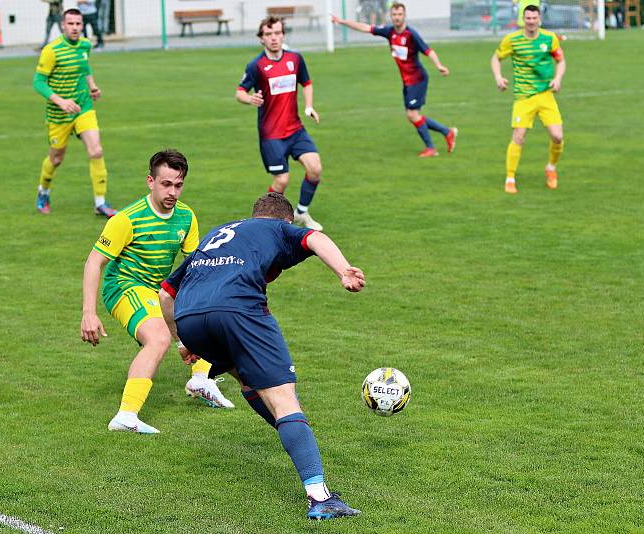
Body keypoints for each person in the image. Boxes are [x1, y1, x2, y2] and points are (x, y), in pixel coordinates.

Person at [159, 192, 365, 520]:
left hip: (190, 318)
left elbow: (166, 293)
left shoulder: (218, 234)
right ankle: (319, 497)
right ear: (285, 220)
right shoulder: (278, 228)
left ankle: (296, 434)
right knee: (285, 400)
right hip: (238, 310)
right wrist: (343, 271)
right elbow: (316, 238)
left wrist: (183, 341)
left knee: (246, 378)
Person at [81, 150, 235, 435]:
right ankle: (126, 416)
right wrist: (88, 313)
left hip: (159, 289)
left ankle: (201, 378)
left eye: (178, 185)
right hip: (125, 288)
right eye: (166, 184)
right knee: (158, 338)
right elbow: (94, 261)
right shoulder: (127, 219)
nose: (172, 191)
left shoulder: (186, 217)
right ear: (150, 181)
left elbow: (195, 267)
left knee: (209, 315)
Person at [332, 3, 457, 158]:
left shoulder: (411, 35)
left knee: (412, 115)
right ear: (391, 16)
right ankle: (447, 132)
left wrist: (439, 65)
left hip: (417, 79)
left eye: (399, 14)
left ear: (404, 16)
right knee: (413, 115)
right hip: (407, 81)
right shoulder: (389, 32)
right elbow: (366, 28)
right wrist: (343, 22)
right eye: (394, 15)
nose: (397, 17)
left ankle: (431, 149)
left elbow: (428, 50)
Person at [236, 16, 324, 231]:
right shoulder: (256, 65)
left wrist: (309, 106)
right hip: (271, 134)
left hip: (295, 129)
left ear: (283, 35)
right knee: (281, 181)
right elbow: (239, 92)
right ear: (261, 39)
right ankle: (264, 223)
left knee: (315, 168)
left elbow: (307, 83)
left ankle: (301, 213)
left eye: (277, 33)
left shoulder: (295, 59)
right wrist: (250, 99)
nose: (273, 38)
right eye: (268, 34)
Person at [32, 8, 116, 217]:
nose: (75, 28)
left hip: (83, 108)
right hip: (58, 114)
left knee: (96, 151)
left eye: (78, 24)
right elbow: (38, 82)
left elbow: (84, 67)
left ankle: (100, 202)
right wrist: (61, 102)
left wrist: (93, 86)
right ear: (63, 25)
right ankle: (43, 191)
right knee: (56, 158)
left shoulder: (85, 45)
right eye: (71, 24)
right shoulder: (52, 51)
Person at [490, 4, 565, 194]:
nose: (531, 21)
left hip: (545, 95)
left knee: (557, 136)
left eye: (534, 18)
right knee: (518, 137)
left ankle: (551, 168)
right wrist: (499, 77)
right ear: (523, 20)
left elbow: (561, 60)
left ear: (539, 19)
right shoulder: (512, 40)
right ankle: (510, 178)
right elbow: (495, 58)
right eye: (528, 18)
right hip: (523, 97)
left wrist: (557, 79)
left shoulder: (549, 39)